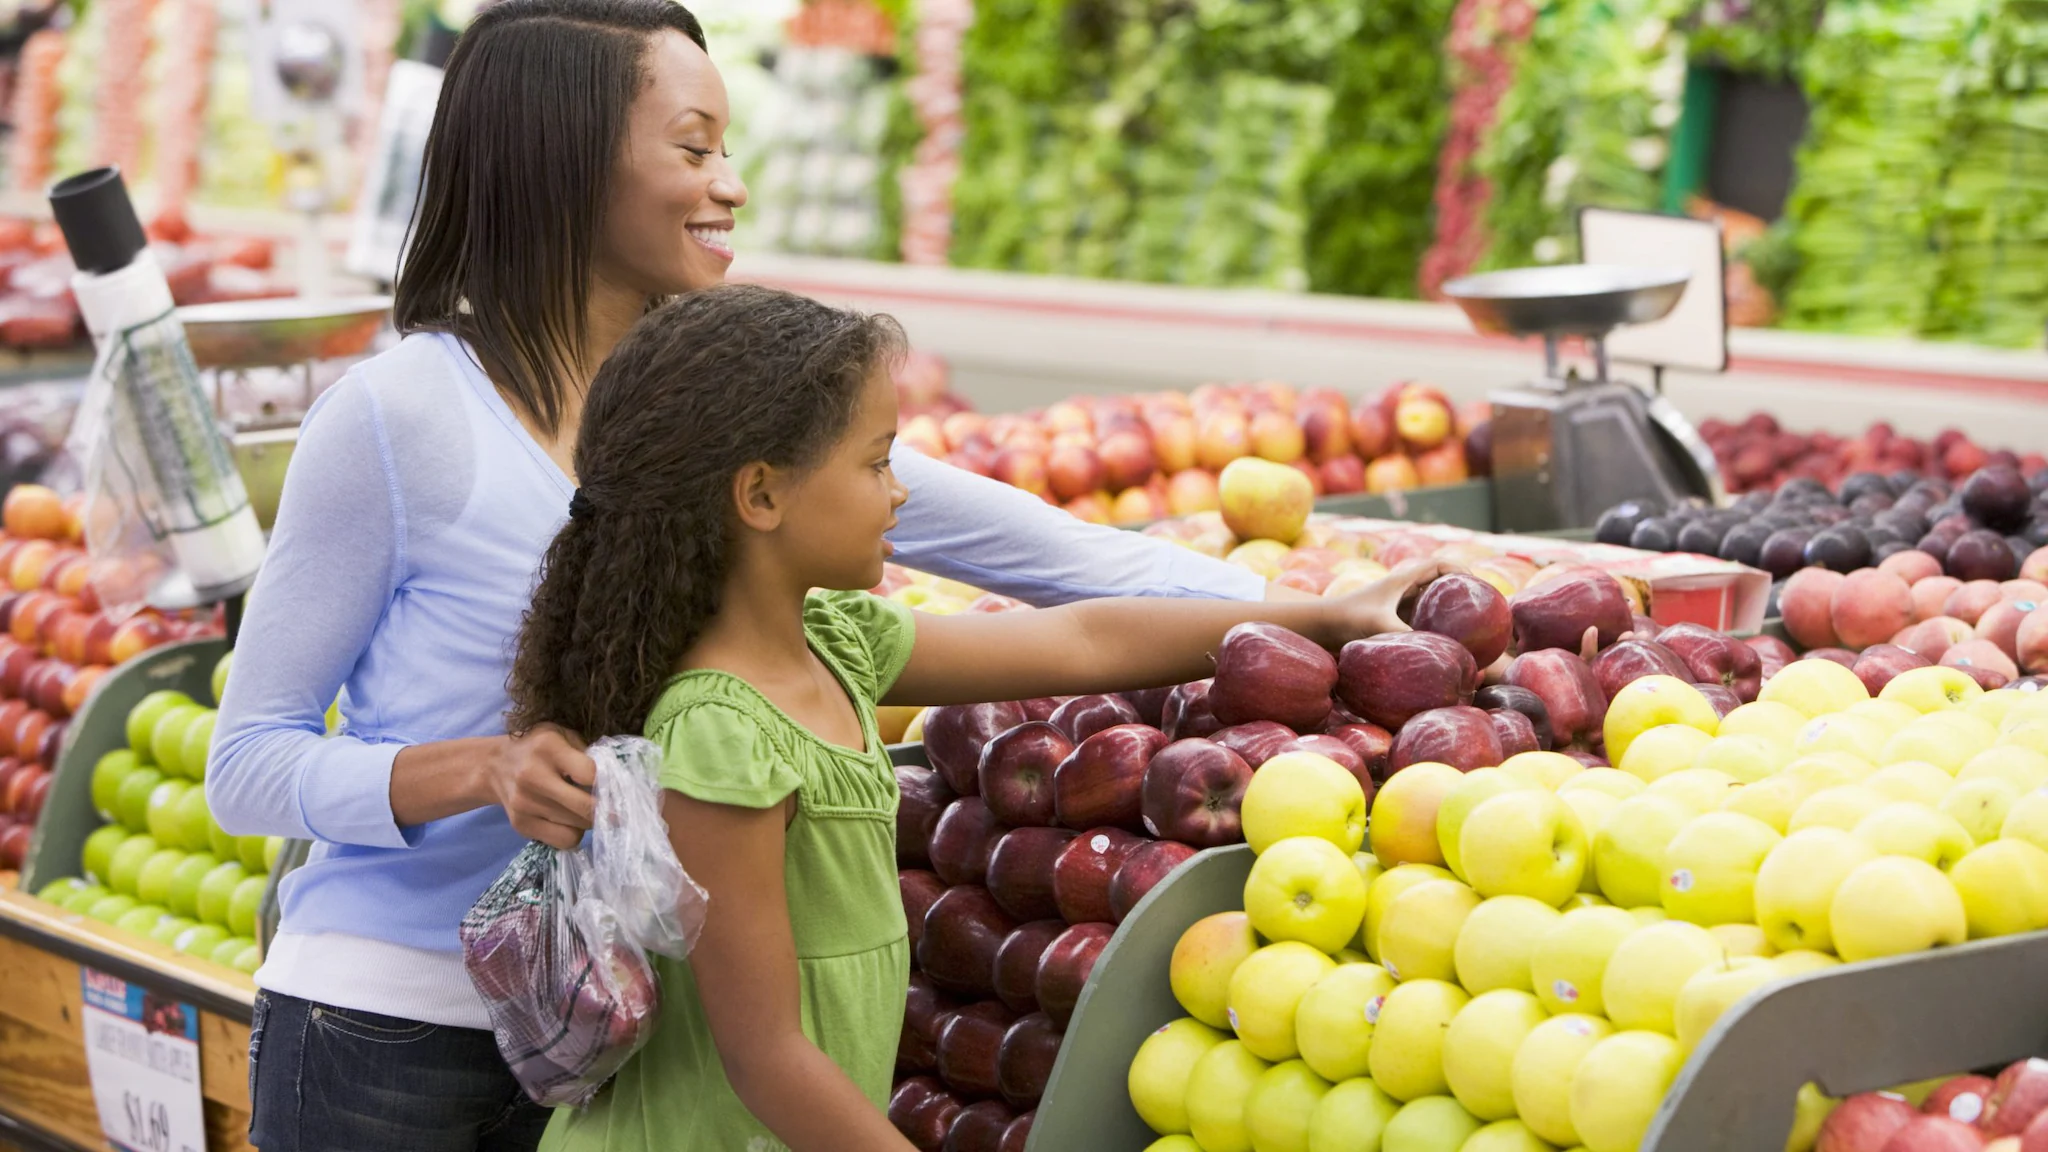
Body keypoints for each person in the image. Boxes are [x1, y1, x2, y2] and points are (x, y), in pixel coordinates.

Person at [207, 2, 1294, 1149]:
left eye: (727, 148)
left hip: (620, 1054)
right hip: (392, 1044)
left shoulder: (706, 397)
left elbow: (1048, 560)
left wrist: (1303, 621)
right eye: (691, 148)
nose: (728, 185)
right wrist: (479, 769)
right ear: (565, 163)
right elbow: (248, 763)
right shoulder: (395, 419)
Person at [506, 285, 1438, 1151]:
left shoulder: (835, 641)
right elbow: (766, 1058)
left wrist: (1324, 616)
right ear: (760, 495)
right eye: (876, 463)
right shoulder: (718, 733)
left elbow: (1084, 643)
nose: (900, 492)